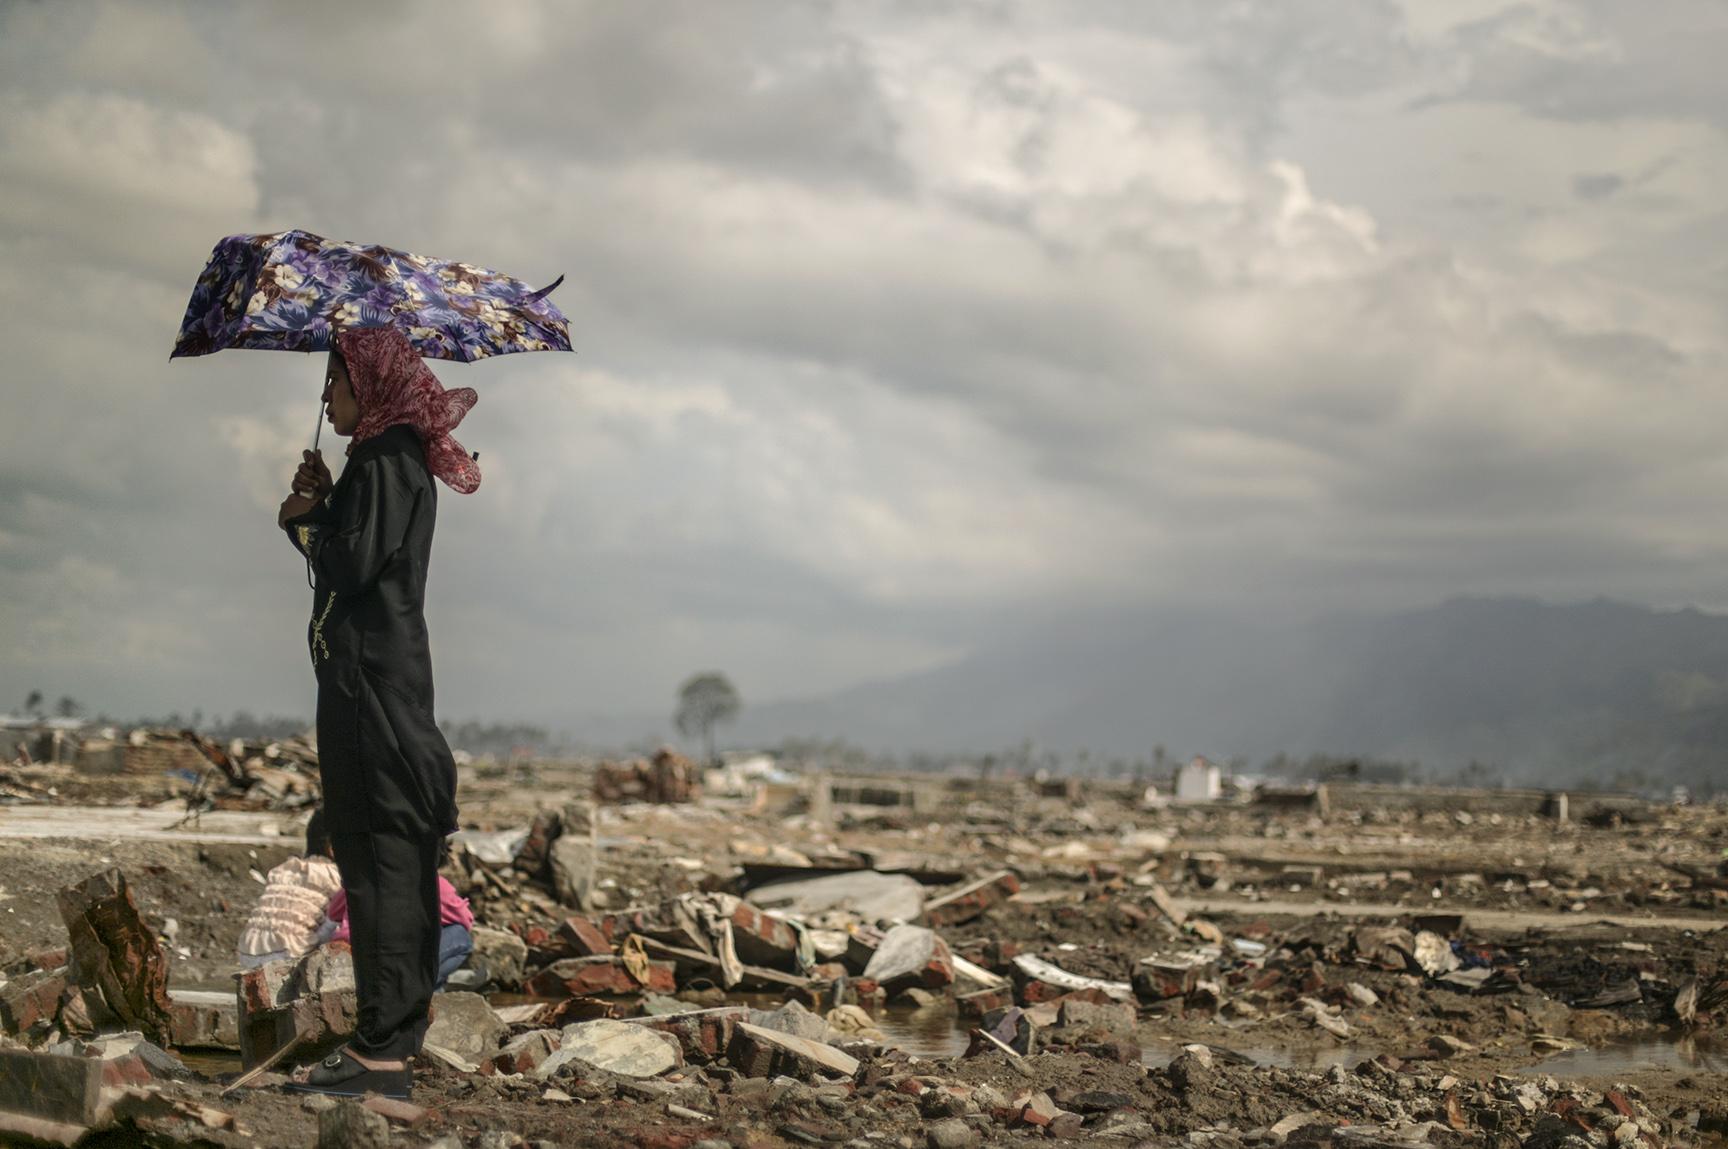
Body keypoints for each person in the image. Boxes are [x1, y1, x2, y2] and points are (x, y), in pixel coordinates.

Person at [276, 325, 480, 1099]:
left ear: (371, 383)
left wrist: (305, 518)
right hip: (375, 691)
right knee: (379, 862)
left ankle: (381, 1050)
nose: (327, 394)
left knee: (383, 865)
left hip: (373, 698)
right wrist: (323, 507)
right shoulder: (385, 462)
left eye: (336, 379)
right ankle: (385, 1043)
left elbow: (352, 566)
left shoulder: (386, 459)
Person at [323, 837, 475, 991]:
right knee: (462, 937)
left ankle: (429, 989)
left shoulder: (366, 875)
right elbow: (466, 920)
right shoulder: (436, 885)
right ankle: (422, 990)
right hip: (388, 964)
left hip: (347, 955)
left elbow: (334, 912)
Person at [236, 808, 343, 969]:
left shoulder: (285, 868)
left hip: (247, 952)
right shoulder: (334, 875)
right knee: (342, 912)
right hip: (289, 953)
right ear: (332, 849)